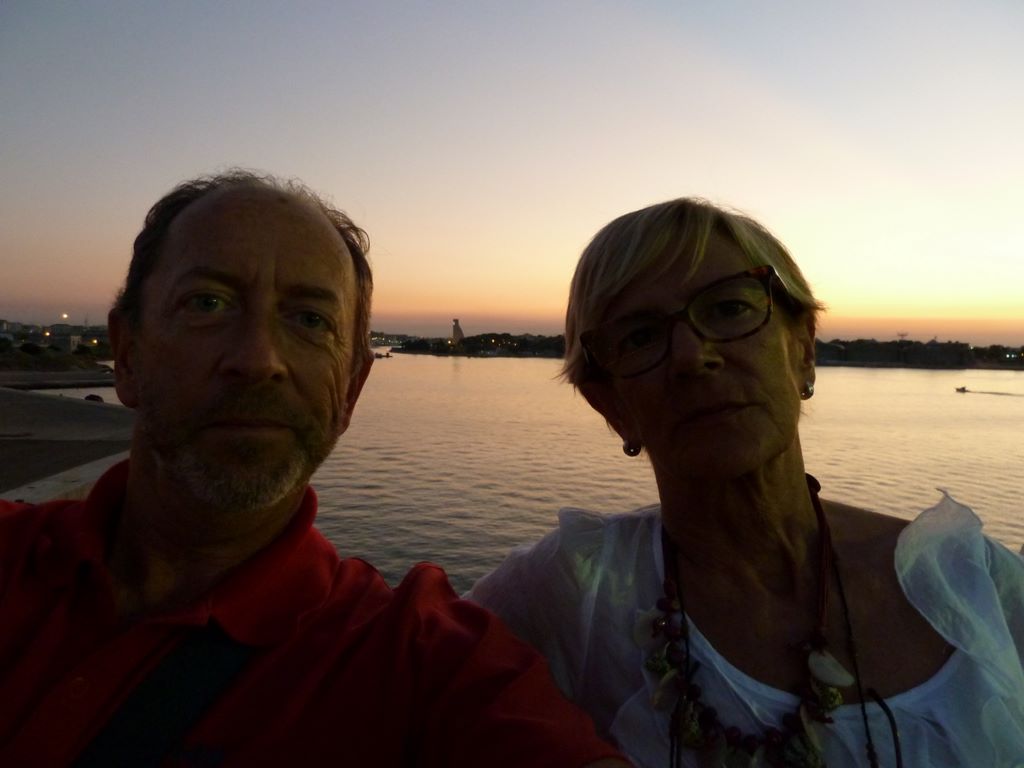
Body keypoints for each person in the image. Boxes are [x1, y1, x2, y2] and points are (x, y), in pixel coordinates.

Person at [0, 171, 629, 767]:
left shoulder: (423, 664)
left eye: (310, 320)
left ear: (351, 389)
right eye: (208, 302)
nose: (258, 360)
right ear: (126, 356)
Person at [469, 198, 1024, 767]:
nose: (692, 356)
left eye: (730, 307)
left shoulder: (980, 586)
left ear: (803, 350)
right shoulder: (572, 591)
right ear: (610, 405)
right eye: (639, 337)